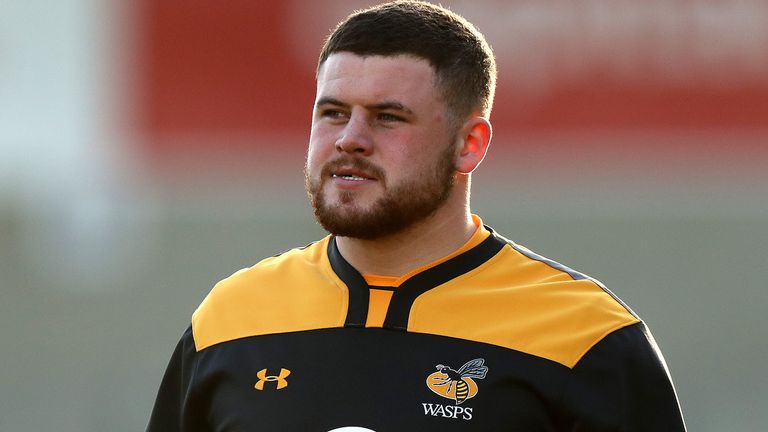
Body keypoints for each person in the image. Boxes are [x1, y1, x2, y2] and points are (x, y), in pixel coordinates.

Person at [147, 1, 687, 430]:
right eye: (333, 113)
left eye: (387, 118)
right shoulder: (229, 320)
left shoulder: (588, 339)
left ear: (469, 145)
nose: (350, 140)